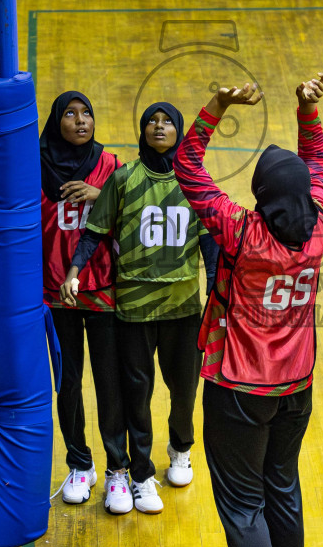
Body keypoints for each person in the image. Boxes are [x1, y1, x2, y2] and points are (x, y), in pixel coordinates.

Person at [172, 74, 323, 547]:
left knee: (241, 501)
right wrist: (305, 112)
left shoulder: (242, 232)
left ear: (262, 195)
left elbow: (189, 168)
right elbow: (316, 164)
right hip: (298, 385)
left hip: (240, 387)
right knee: (282, 490)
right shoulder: (319, 228)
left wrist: (216, 104)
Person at [63, 103, 218, 515]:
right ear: (142, 130)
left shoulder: (195, 183)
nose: (159, 126)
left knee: (184, 390)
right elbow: (93, 232)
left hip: (183, 307)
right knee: (137, 394)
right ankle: (141, 474)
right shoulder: (123, 179)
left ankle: (181, 446)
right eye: (152, 120)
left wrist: (217, 293)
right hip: (133, 308)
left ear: (180, 132)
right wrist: (74, 270)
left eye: (167, 121)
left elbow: (210, 243)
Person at [40, 91, 128, 509]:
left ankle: (118, 470)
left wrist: (101, 195)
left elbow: (140, 207)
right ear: (56, 121)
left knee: (111, 383)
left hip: (104, 292)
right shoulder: (33, 167)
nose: (80, 120)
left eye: (87, 113)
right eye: (70, 114)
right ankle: (80, 463)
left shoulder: (111, 165)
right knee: (68, 383)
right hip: (57, 295)